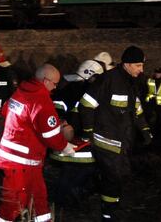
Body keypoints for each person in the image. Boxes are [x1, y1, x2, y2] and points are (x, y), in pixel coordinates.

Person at [79, 46, 153, 221]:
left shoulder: (131, 82)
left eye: (142, 65)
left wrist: (145, 129)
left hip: (123, 141)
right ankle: (108, 212)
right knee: (114, 176)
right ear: (126, 64)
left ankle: (110, 204)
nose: (141, 70)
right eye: (138, 65)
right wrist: (88, 131)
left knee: (118, 176)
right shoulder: (107, 80)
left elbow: (136, 109)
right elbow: (86, 104)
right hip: (106, 140)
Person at [0, 63, 76, 222]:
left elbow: (6, 111)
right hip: (22, 162)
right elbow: (50, 135)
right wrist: (65, 146)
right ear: (46, 81)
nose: (55, 88)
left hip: (17, 159)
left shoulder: (20, 91)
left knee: (38, 198)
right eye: (54, 83)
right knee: (14, 204)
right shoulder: (42, 100)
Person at [50, 60, 104, 212]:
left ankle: (63, 201)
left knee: (70, 174)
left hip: (72, 144)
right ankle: (62, 202)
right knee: (75, 173)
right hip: (76, 145)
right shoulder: (83, 91)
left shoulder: (72, 89)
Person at [144, 67, 161, 136]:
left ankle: (159, 134)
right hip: (150, 102)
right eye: (156, 73)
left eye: (159, 73)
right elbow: (144, 91)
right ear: (154, 73)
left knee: (160, 119)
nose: (157, 74)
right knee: (147, 118)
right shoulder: (149, 80)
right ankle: (147, 133)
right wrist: (145, 101)